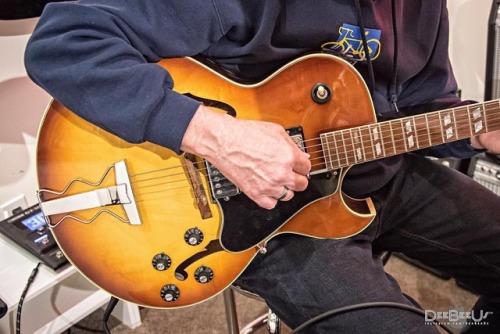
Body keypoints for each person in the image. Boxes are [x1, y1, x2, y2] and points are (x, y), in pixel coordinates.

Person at [24, 0, 500, 333]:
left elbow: (415, 105)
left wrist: (478, 128)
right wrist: (216, 136)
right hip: (257, 215)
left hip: (377, 174)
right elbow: (65, 42)